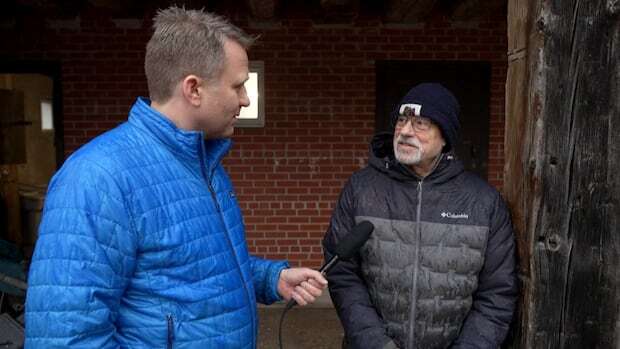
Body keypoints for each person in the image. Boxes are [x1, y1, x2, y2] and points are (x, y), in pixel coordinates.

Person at [25, 6, 327, 348]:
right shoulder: (96, 179)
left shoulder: (205, 163)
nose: (244, 100)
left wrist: (271, 278)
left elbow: (194, 270)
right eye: (239, 86)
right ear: (193, 89)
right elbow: (65, 337)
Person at [323, 83, 518, 349]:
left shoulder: (484, 203)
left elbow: (497, 293)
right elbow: (342, 274)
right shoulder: (361, 190)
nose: (404, 131)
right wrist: (375, 343)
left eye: (420, 123)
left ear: (445, 135)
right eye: (401, 120)